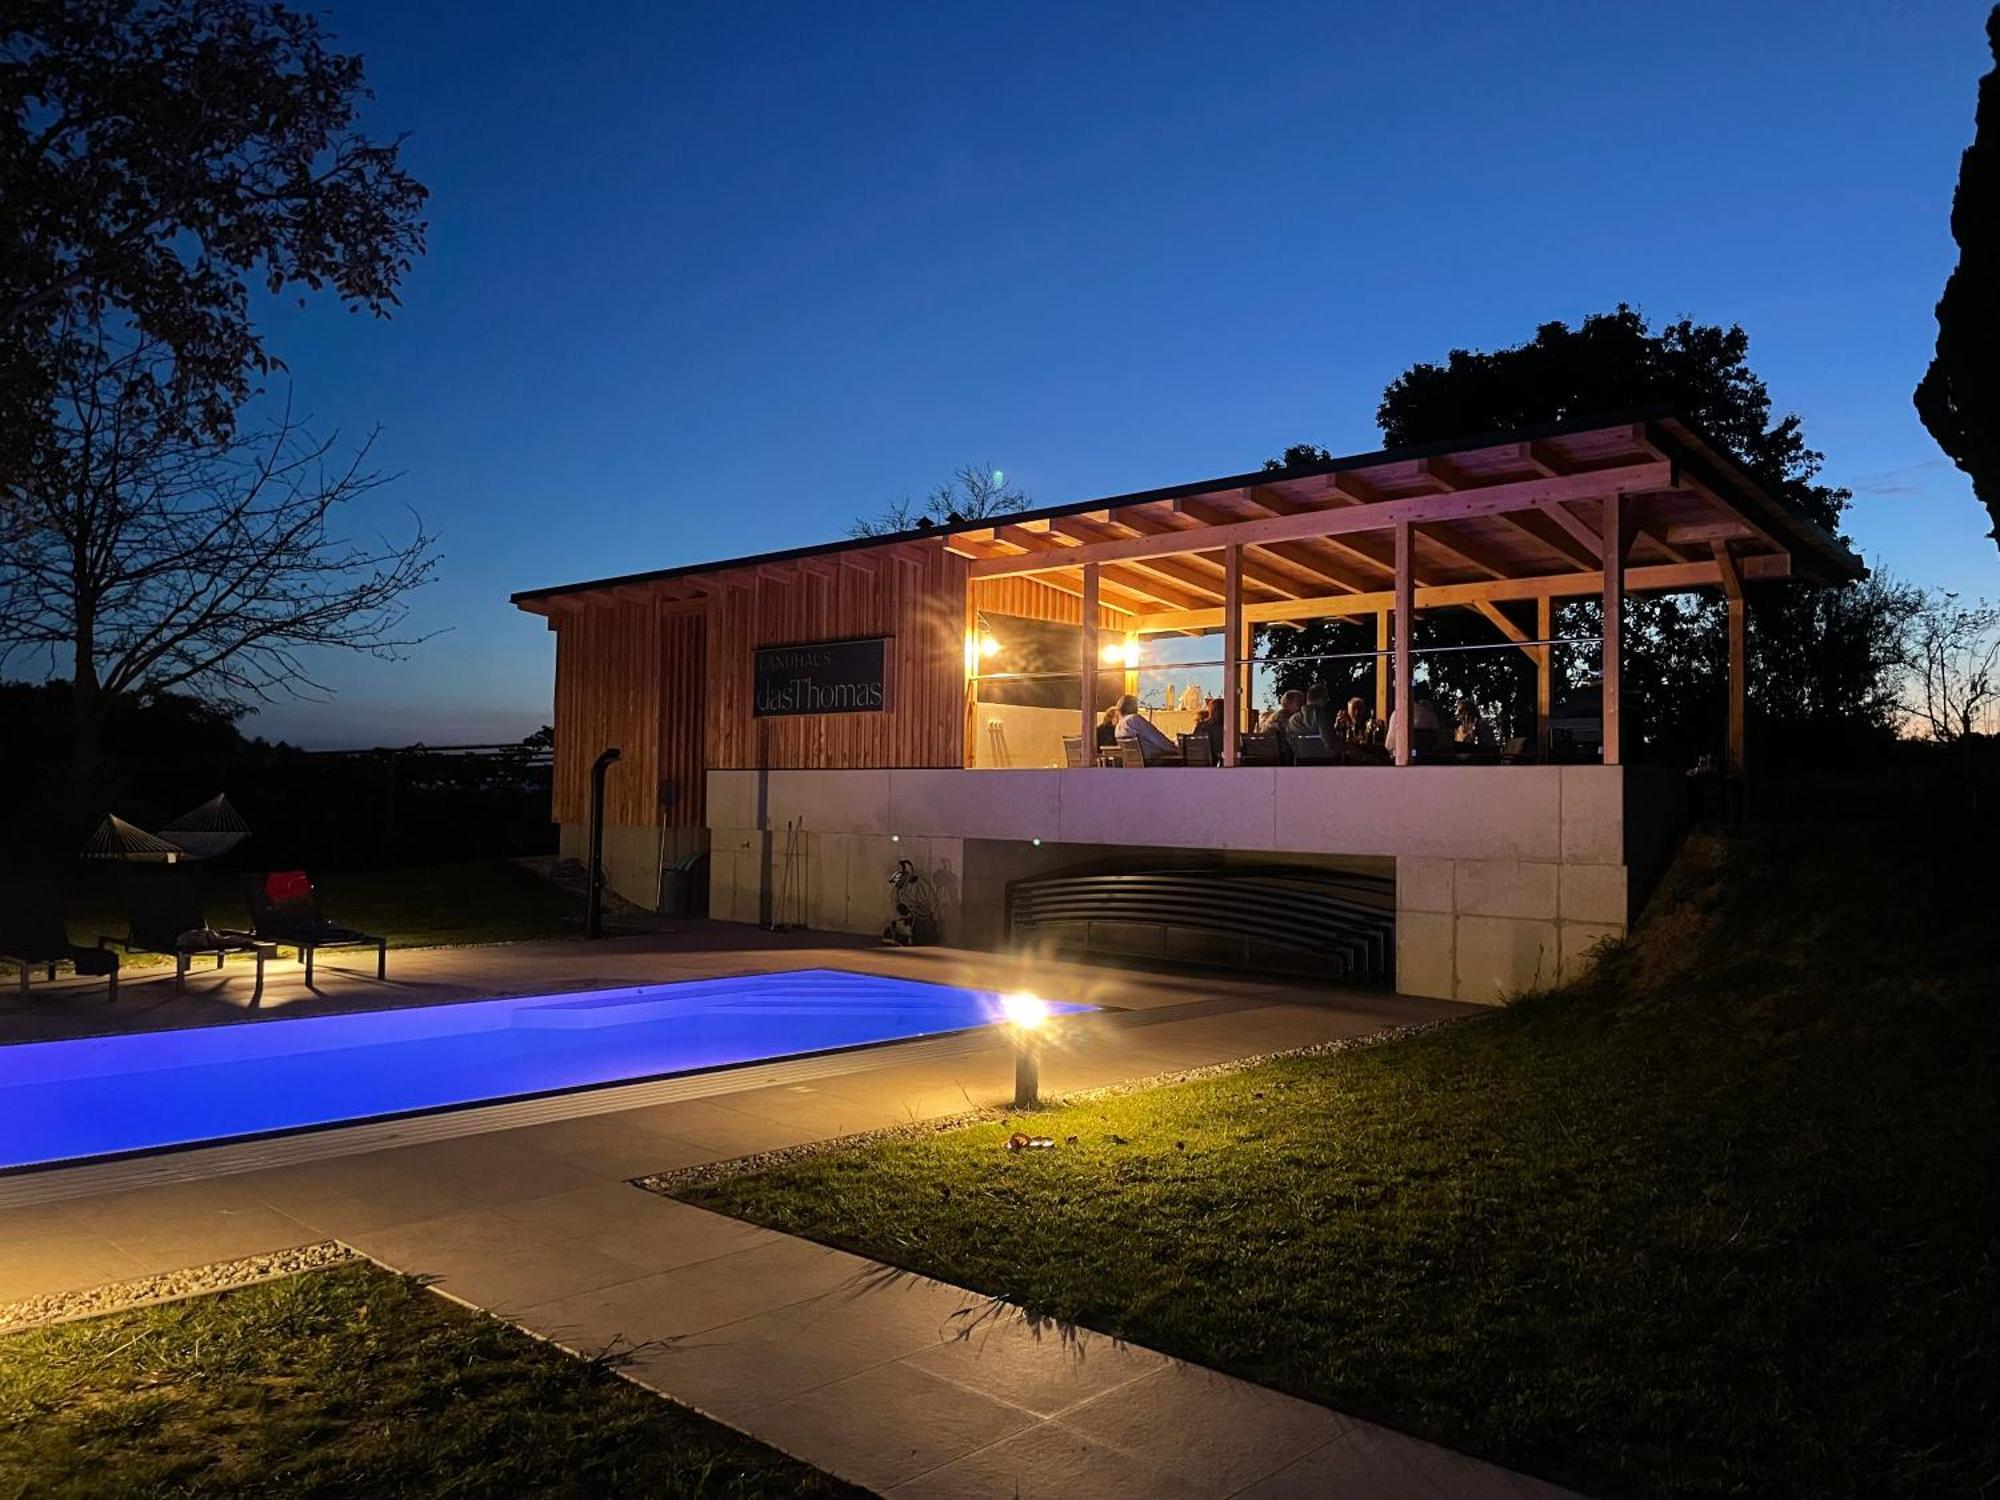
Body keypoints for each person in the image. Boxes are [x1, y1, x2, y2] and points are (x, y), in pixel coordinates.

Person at [1114, 693, 1177, 765]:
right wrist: (1176, 748)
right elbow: (1158, 739)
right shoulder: (1134, 719)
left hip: (1138, 764)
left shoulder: (1118, 727)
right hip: (1153, 762)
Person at [1385, 693, 1443, 759]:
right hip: (1427, 758)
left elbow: (1388, 745)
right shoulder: (1430, 714)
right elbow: (1438, 740)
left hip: (1401, 757)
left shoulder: (1397, 713)